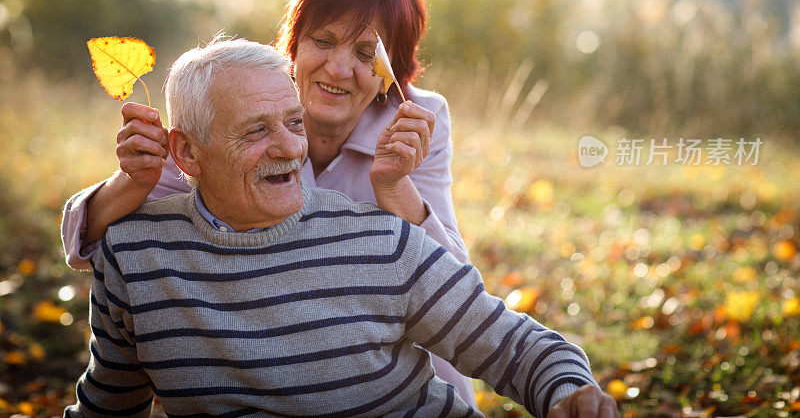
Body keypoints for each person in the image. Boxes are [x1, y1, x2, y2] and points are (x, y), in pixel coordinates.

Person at [65, 39, 618, 417]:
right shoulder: (133, 257)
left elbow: (511, 345)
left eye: (294, 122)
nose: (288, 148)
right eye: (255, 131)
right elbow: (109, 404)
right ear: (186, 151)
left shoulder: (381, 241)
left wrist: (567, 391)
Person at [62, 0, 475, 401]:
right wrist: (134, 182)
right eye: (323, 40)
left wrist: (395, 187)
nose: (337, 68)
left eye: (365, 53)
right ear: (292, 46)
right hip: (268, 371)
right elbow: (81, 245)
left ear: (392, 74)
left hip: (394, 373)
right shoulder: (237, 106)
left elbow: (456, 285)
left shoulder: (417, 120)